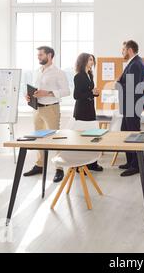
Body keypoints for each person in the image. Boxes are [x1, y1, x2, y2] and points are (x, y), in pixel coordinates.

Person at [23, 46, 70, 183]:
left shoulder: (58, 72)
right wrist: (29, 96)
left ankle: (59, 169)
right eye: (38, 55)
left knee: (55, 139)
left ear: (49, 55)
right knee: (39, 138)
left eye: (41, 55)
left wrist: (47, 93)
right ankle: (39, 165)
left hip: (51, 109)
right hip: (37, 109)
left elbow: (66, 91)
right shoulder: (37, 71)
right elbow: (35, 89)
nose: (38, 57)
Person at [116, 40, 144, 177]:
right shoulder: (135, 62)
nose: (122, 52)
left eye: (123, 50)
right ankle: (130, 162)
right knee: (125, 132)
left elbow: (131, 87)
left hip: (132, 105)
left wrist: (118, 83)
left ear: (129, 50)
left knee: (133, 135)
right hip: (130, 105)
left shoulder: (135, 64)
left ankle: (136, 165)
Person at [73, 53, 103, 172]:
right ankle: (79, 165)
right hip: (82, 112)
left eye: (93, 60)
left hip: (90, 110)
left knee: (93, 137)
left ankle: (91, 164)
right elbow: (77, 95)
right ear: (84, 61)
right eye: (90, 59)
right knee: (82, 139)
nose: (92, 62)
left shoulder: (90, 74)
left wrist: (95, 92)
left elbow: (89, 92)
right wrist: (91, 93)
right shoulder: (79, 76)